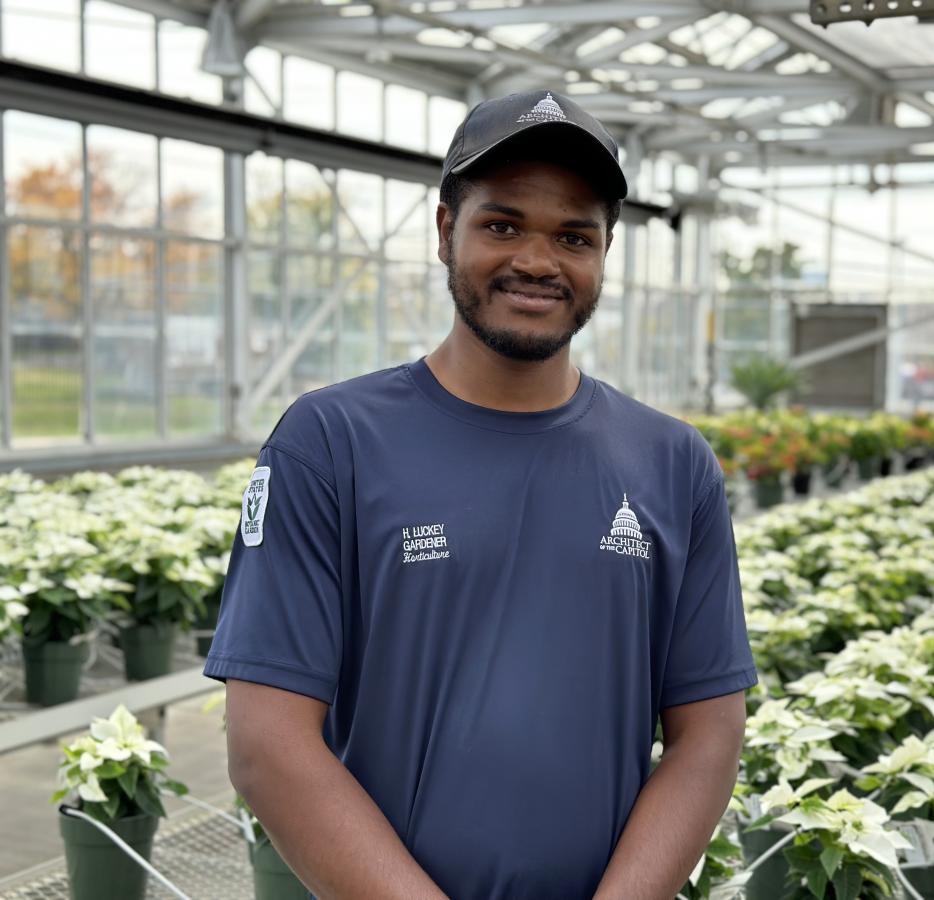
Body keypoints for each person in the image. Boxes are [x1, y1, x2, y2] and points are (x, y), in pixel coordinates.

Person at [204, 89, 757, 900]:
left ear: (605, 255)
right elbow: (267, 745)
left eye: (574, 236)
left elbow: (708, 737)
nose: (537, 261)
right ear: (444, 232)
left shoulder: (673, 463)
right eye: (502, 225)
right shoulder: (331, 443)